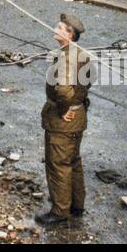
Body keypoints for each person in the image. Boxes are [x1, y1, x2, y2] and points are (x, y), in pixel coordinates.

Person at [36, 15, 90, 225]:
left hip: (64, 121)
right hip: (78, 117)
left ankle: (60, 210)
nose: (55, 28)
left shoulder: (66, 58)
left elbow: (64, 92)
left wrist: (63, 109)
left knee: (58, 164)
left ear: (69, 34)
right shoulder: (80, 54)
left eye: (60, 27)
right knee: (73, 161)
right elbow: (87, 82)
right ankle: (77, 204)